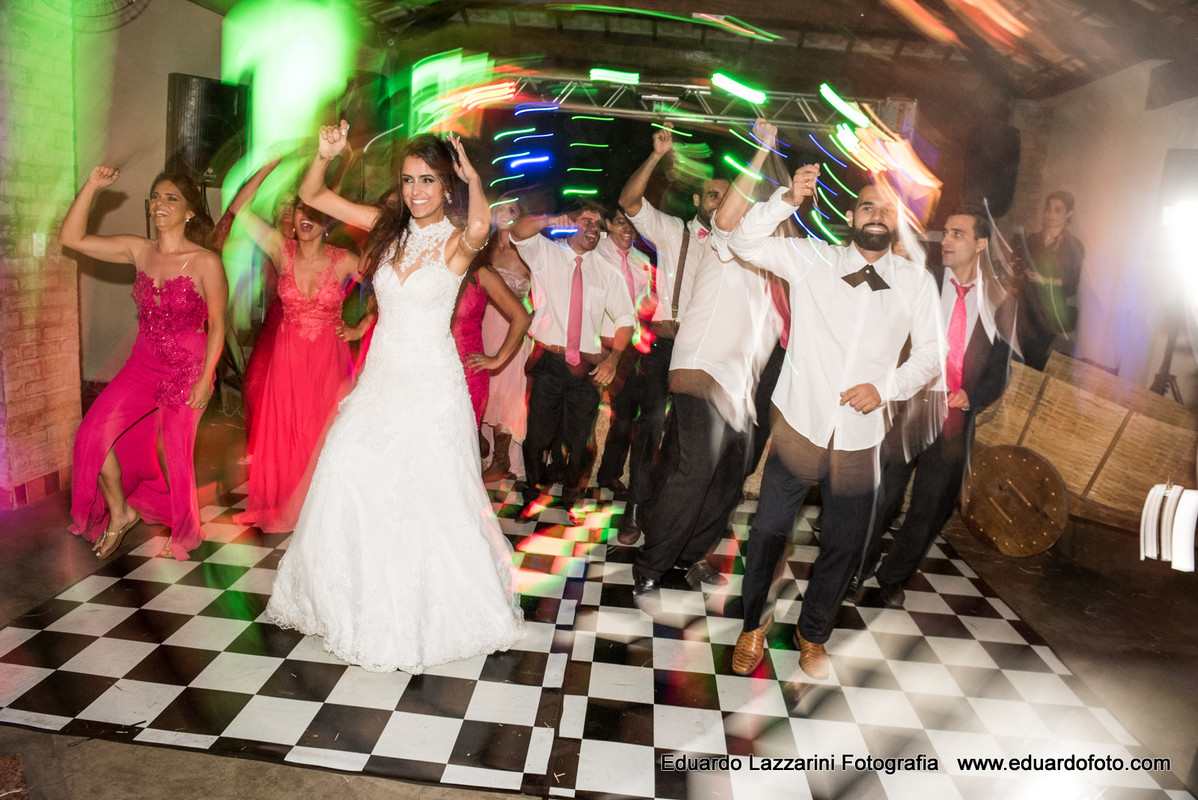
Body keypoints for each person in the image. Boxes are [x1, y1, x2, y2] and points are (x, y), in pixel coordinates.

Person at [267, 123, 523, 673]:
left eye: (427, 180)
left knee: (425, 497)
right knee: (347, 470)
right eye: (408, 180)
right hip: (381, 381)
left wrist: (473, 177)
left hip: (432, 385)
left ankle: (425, 609)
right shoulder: (388, 230)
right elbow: (314, 196)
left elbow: (482, 223)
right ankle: (348, 600)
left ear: (447, 184)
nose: (416, 191)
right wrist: (325, 155)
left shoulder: (457, 239)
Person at [728, 169, 944, 679]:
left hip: (861, 440)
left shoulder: (915, 281)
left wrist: (886, 388)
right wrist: (787, 199)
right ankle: (753, 626)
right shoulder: (812, 258)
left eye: (887, 211)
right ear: (851, 217)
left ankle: (813, 633)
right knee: (768, 533)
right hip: (800, 427)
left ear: (897, 225)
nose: (877, 216)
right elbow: (743, 240)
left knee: (845, 544)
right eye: (868, 207)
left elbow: (934, 353)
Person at [630, 121, 785, 606]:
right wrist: (761, 152)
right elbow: (731, 214)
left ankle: (690, 555)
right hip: (700, 370)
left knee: (728, 479)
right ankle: (652, 563)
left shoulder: (776, 263)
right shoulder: (724, 240)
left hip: (739, 388)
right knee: (695, 468)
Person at [61, 166, 227, 560]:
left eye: (171, 198)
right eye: (156, 197)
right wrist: (93, 185)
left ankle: (186, 533)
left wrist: (205, 380)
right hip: (142, 366)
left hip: (187, 371)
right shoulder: (139, 250)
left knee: (174, 452)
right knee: (90, 436)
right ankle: (121, 511)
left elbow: (219, 326)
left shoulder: (206, 262)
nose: (160, 204)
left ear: (190, 211)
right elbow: (71, 238)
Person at [865, 208, 1013, 607]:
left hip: (954, 418)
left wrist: (975, 396)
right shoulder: (923, 280)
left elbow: (1000, 368)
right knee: (885, 495)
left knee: (930, 508)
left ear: (980, 243)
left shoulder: (1000, 298)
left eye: (958, 234)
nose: (945, 240)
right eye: (945, 232)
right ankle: (854, 567)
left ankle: (891, 579)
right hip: (911, 408)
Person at [616, 128, 730, 542]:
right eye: (713, 195)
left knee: (687, 443)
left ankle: (662, 513)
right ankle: (633, 510)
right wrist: (656, 158)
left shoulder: (735, 247)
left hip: (707, 355)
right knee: (651, 430)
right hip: (667, 347)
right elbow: (628, 202)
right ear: (699, 201)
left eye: (726, 197)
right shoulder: (673, 232)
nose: (720, 203)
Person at [231, 198, 366, 534]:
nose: (307, 218)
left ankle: (321, 506)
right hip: (287, 357)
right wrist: (269, 165)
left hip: (328, 359)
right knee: (288, 428)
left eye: (316, 213)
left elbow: (390, 289)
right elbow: (239, 210)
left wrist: (360, 327)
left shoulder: (346, 260)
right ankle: (289, 500)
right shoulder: (281, 249)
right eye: (301, 211)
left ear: (329, 221)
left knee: (322, 429)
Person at [510, 203, 635, 512]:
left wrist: (613, 359)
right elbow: (519, 230)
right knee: (538, 436)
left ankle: (572, 496)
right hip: (549, 362)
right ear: (571, 222)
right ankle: (533, 490)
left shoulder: (606, 271)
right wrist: (552, 218)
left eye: (598, 223)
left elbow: (625, 319)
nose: (593, 227)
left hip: (587, 366)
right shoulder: (546, 253)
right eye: (586, 220)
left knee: (580, 440)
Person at [593, 207, 654, 495]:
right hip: (595, 342)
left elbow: (645, 305)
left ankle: (609, 474)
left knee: (624, 415)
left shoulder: (642, 262)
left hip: (629, 348)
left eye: (632, 225)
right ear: (608, 224)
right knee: (582, 413)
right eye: (620, 223)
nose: (627, 230)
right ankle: (564, 470)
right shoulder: (595, 254)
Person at [479, 195, 533, 482]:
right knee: (484, 388)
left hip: (511, 330)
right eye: (500, 207)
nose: (504, 213)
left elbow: (544, 294)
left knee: (506, 393)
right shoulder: (484, 250)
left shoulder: (526, 252)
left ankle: (501, 459)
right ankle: (481, 445)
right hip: (483, 327)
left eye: (512, 208)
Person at [452, 239, 532, 430]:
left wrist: (497, 360)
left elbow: (522, 317)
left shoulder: (482, 273)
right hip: (430, 367)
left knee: (460, 437)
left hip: (466, 370)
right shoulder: (434, 269)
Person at [1016, 190, 1084, 370]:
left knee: (1033, 364)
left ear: (1069, 213)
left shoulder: (1073, 246)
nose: (1051, 215)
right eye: (1049, 209)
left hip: (1047, 314)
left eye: (1057, 210)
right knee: (1013, 359)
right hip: (1025, 308)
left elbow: (1071, 286)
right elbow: (1021, 270)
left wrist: (1044, 280)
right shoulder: (1033, 240)